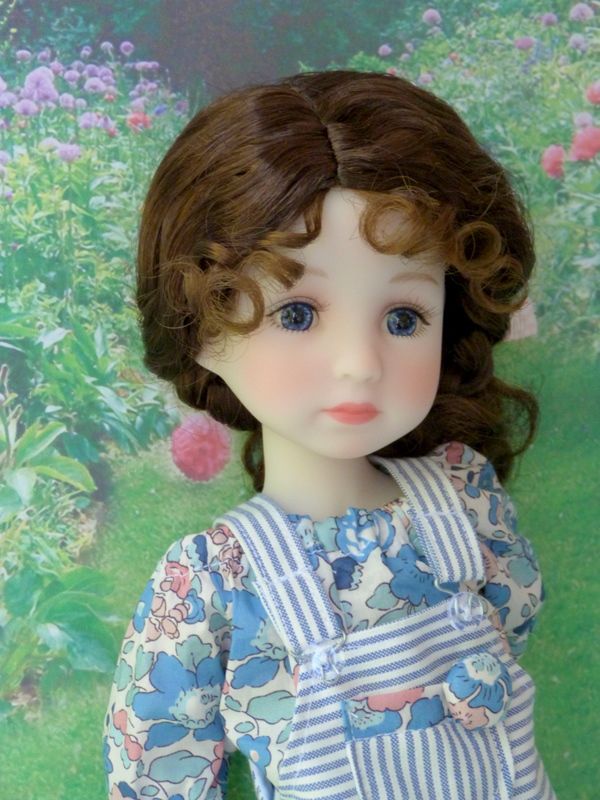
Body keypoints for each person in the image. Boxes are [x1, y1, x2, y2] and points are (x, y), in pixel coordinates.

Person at [103, 70, 556, 799]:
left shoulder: (464, 499)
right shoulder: (216, 584)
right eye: (298, 314)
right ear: (203, 328)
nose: (359, 364)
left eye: (403, 318)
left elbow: (515, 622)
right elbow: (158, 768)